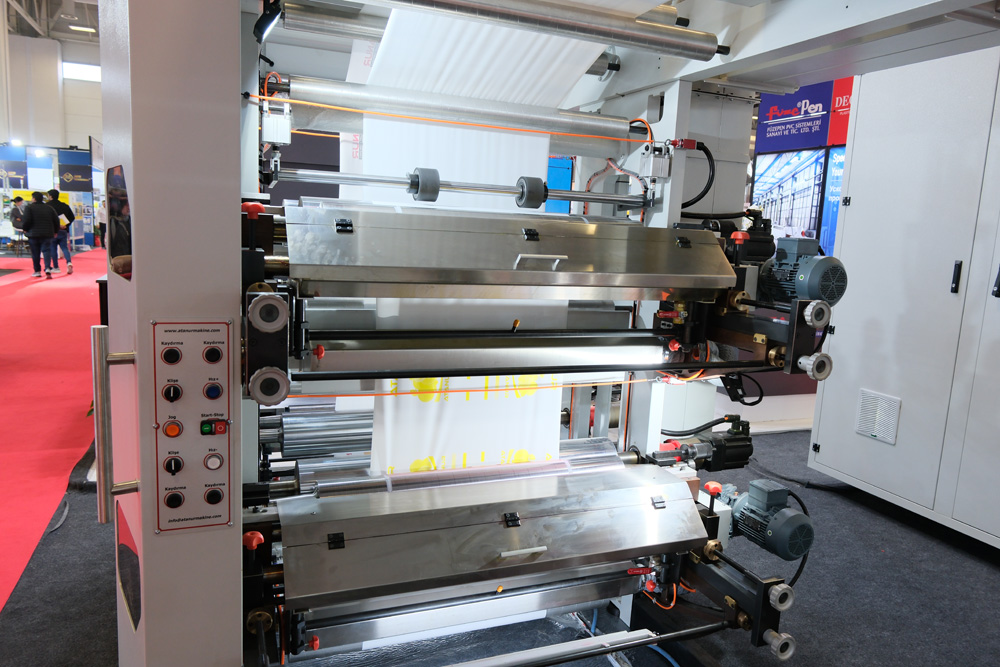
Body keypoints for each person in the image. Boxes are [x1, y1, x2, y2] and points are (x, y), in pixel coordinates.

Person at [20, 191, 58, 279]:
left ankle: (37, 271)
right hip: (47, 234)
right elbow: (56, 221)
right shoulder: (49, 208)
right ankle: (47, 268)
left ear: (34, 199)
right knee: (46, 251)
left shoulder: (29, 208)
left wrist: (25, 229)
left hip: (33, 234)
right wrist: (55, 231)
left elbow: (26, 220)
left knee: (35, 253)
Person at [46, 189, 75, 274]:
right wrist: (66, 225)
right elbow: (72, 217)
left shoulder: (47, 206)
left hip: (52, 230)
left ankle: (56, 267)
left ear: (50, 196)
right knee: (64, 247)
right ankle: (69, 262)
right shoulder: (64, 206)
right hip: (63, 230)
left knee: (53, 248)